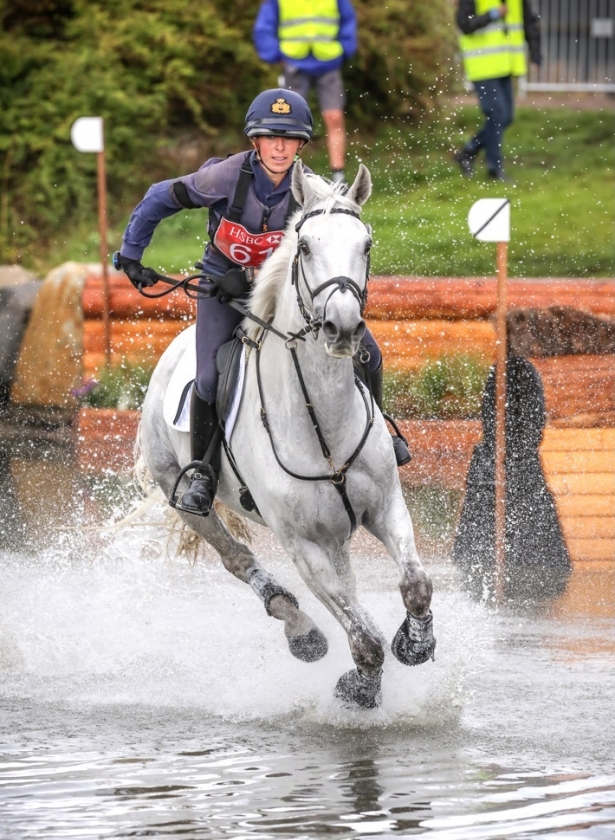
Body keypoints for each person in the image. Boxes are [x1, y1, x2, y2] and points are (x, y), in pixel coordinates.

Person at [115, 88, 409, 518]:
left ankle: (380, 436)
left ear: (300, 145)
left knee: (369, 352)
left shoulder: (311, 191)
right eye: (270, 137)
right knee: (211, 379)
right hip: (223, 292)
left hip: (278, 297)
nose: (279, 147)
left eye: (288, 140)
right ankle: (200, 472)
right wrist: (132, 253)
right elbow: (161, 196)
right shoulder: (224, 178)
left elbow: (338, 238)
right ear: (255, 141)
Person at [452, 334, 571, 597]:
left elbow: (532, 420)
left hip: (514, 464)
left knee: (530, 554)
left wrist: (514, 450)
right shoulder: (501, 374)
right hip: (501, 463)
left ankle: (515, 585)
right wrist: (510, 450)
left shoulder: (521, 373)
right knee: (485, 554)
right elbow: (496, 417)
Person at [253, 0, 356, 184]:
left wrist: (343, 50)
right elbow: (264, 27)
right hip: (294, 63)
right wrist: (276, 54)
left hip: (328, 61)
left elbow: (348, 21)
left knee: (334, 117)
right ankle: (290, 174)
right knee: (290, 122)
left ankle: (338, 177)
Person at [454, 0, 541, 181]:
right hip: (482, 65)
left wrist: (536, 53)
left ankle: (467, 152)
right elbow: (464, 24)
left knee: (506, 118)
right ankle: (494, 169)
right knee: (496, 115)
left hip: (505, 64)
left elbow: (529, 22)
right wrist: (492, 15)